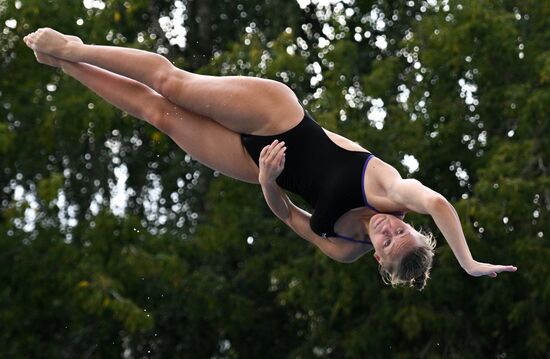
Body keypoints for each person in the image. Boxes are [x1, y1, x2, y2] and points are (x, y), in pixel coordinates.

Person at [23, 28, 517, 291]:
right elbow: (439, 203)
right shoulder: (392, 192)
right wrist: (468, 261)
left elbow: (287, 217)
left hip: (258, 164)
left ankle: (66, 65)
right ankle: (74, 46)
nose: (389, 232)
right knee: (173, 84)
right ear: (412, 227)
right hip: (278, 118)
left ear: (382, 263)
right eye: (402, 232)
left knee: (162, 116)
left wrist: (267, 181)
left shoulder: (346, 247)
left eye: (388, 246)